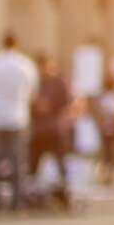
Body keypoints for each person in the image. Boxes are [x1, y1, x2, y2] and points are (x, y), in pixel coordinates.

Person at [0, 32, 38, 213]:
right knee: (17, 161)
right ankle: (17, 201)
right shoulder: (25, 65)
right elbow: (32, 92)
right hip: (17, 117)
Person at [27, 53, 74, 208]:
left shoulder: (59, 81)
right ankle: (32, 194)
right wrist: (35, 106)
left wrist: (49, 106)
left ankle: (65, 191)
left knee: (60, 162)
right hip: (38, 130)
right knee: (33, 163)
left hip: (55, 129)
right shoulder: (33, 81)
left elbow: (67, 102)